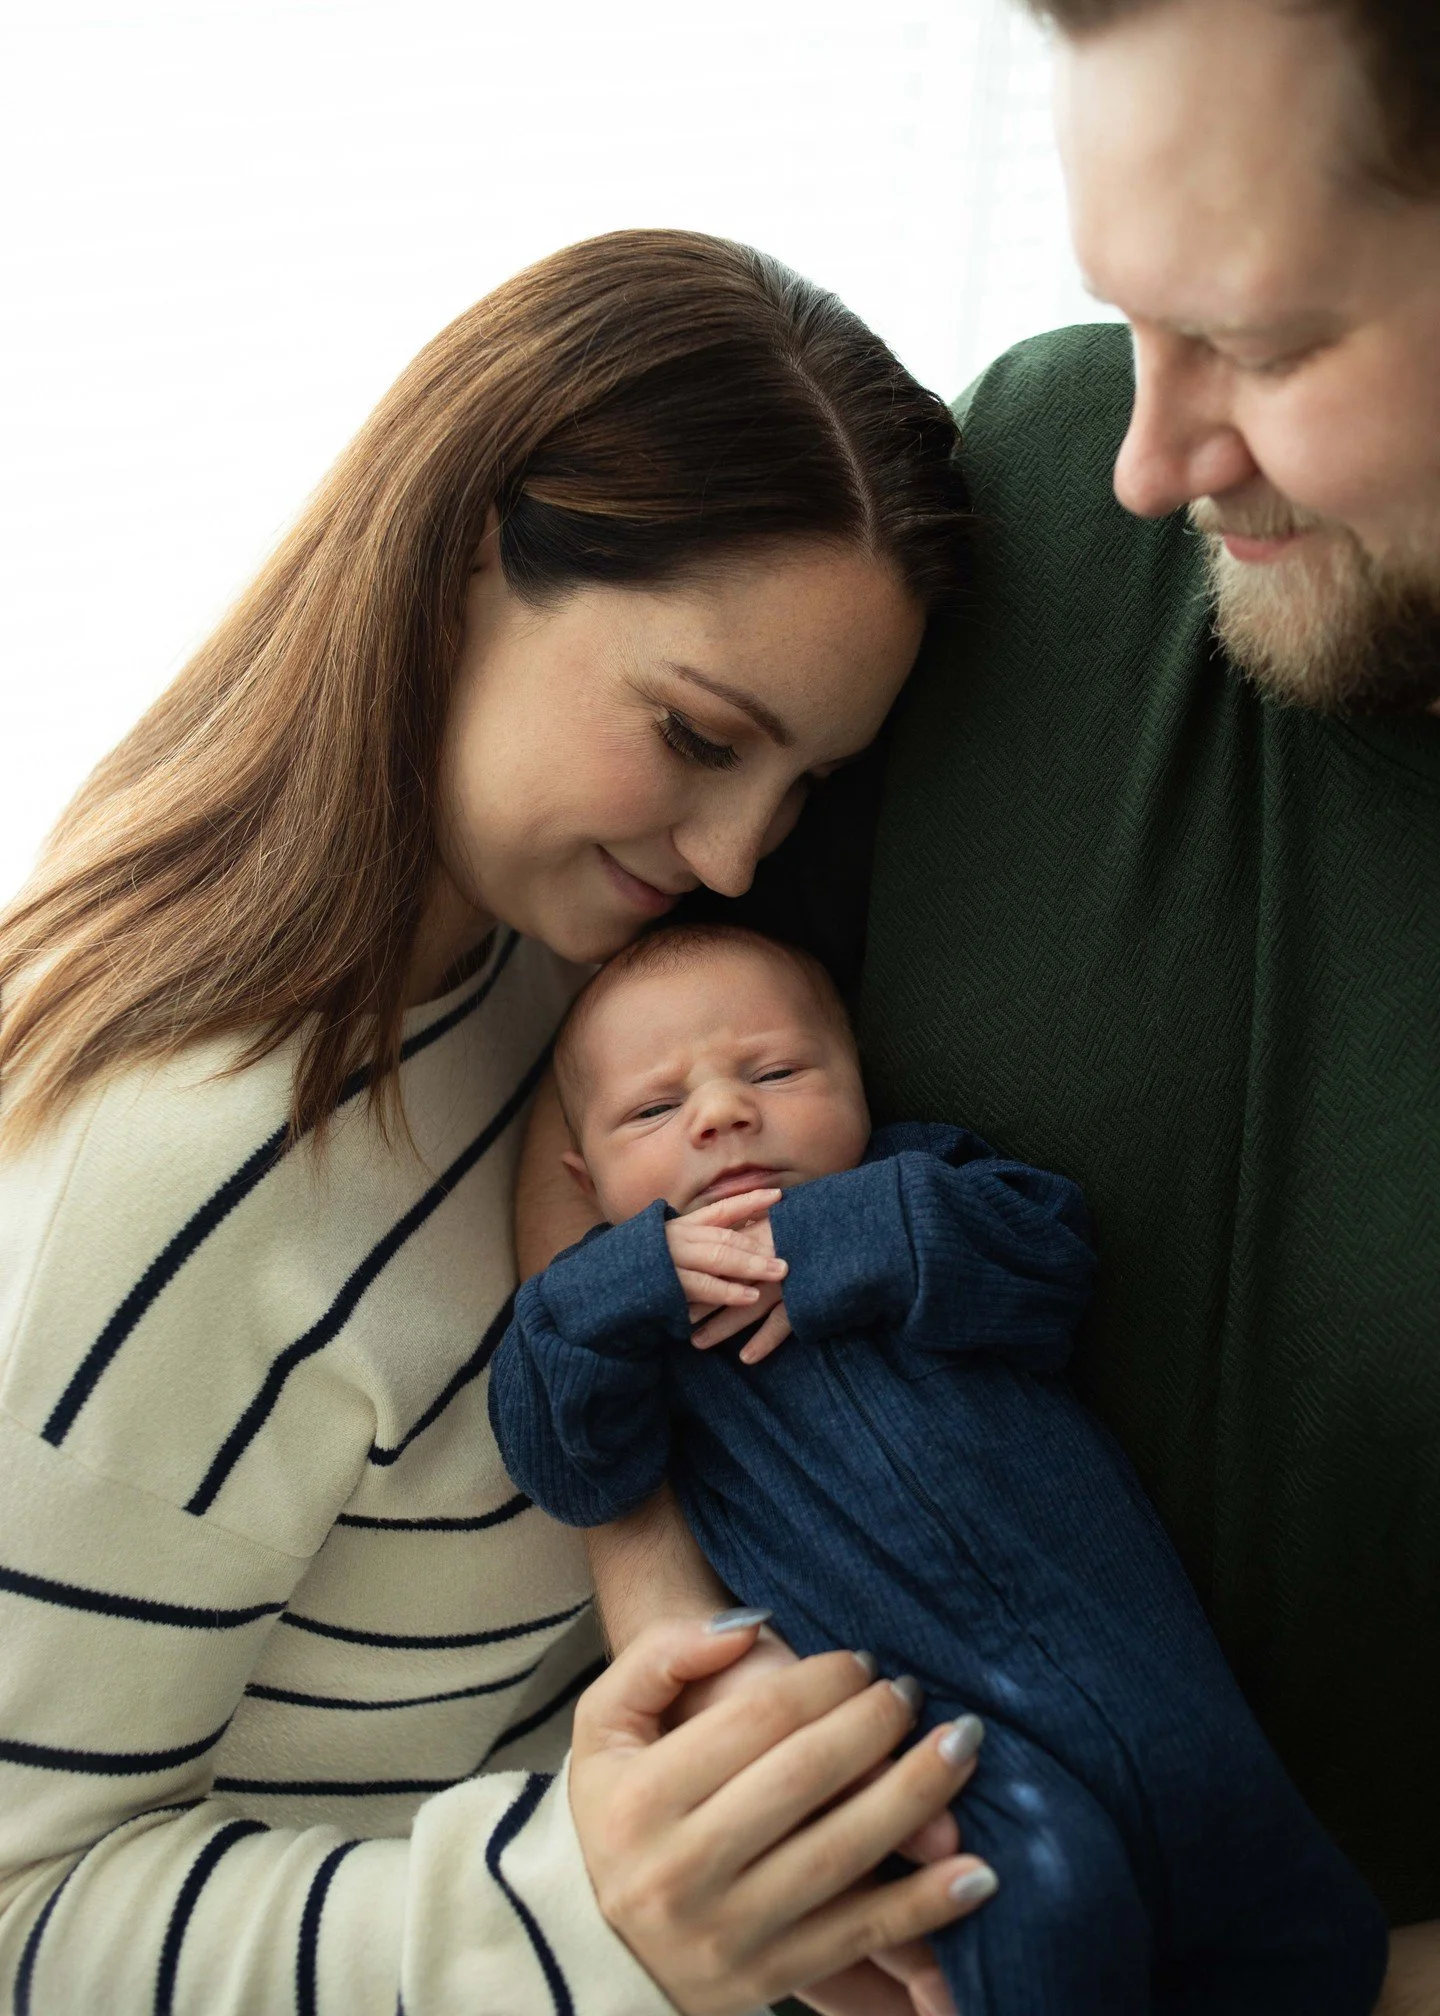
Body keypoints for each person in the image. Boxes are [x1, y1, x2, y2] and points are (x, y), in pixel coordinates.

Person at [0, 229, 997, 2016]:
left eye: (804, 787)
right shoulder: (177, 1166)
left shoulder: (580, 975)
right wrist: (592, 1915)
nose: (734, 859)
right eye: (697, 736)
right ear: (468, 561)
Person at [561, 3, 1440, 2009]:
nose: (1154, 459)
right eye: (1127, 315)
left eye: (1273, 343)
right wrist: (677, 1665)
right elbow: (594, 1090)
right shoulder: (1035, 500)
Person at [493, 921, 1388, 2016]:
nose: (723, 1112)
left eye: (776, 1071)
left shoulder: (926, 1184)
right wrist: (629, 1284)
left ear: (859, 1079)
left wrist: (842, 1233)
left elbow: (1051, 1267)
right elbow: (571, 1468)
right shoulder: (631, 1332)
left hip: (1138, 1661)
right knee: (1045, 1912)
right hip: (941, 1730)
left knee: (1298, 1923)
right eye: (652, 1110)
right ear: (585, 1180)